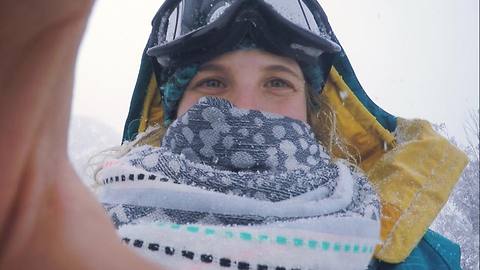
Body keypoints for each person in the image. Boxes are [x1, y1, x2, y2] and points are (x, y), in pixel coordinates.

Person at [0, 0, 467, 270]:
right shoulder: (75, 245)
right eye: (212, 83)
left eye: (277, 82)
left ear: (313, 110)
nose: (245, 109)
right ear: (173, 109)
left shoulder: (414, 261)